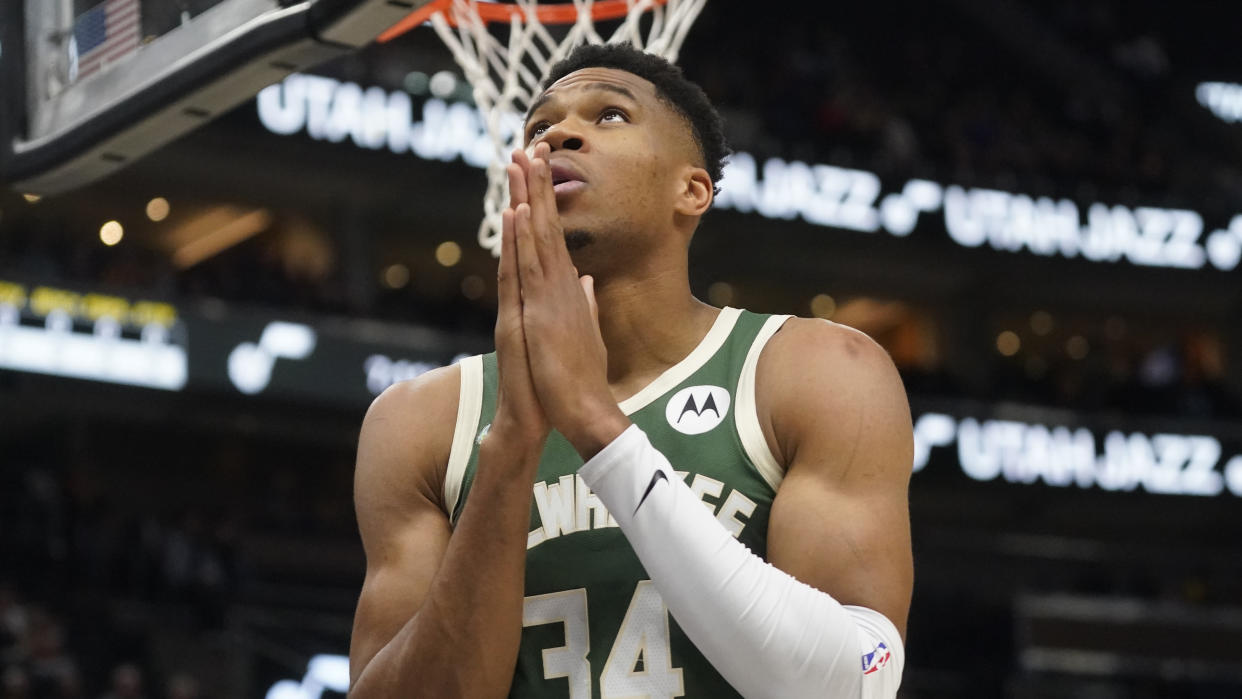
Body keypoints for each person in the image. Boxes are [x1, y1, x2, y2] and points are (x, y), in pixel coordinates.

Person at [348, 43, 913, 699]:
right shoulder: (420, 421)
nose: (559, 133)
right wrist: (511, 446)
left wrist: (598, 428)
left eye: (609, 115)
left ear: (691, 188)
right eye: (538, 128)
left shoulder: (815, 372)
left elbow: (848, 684)